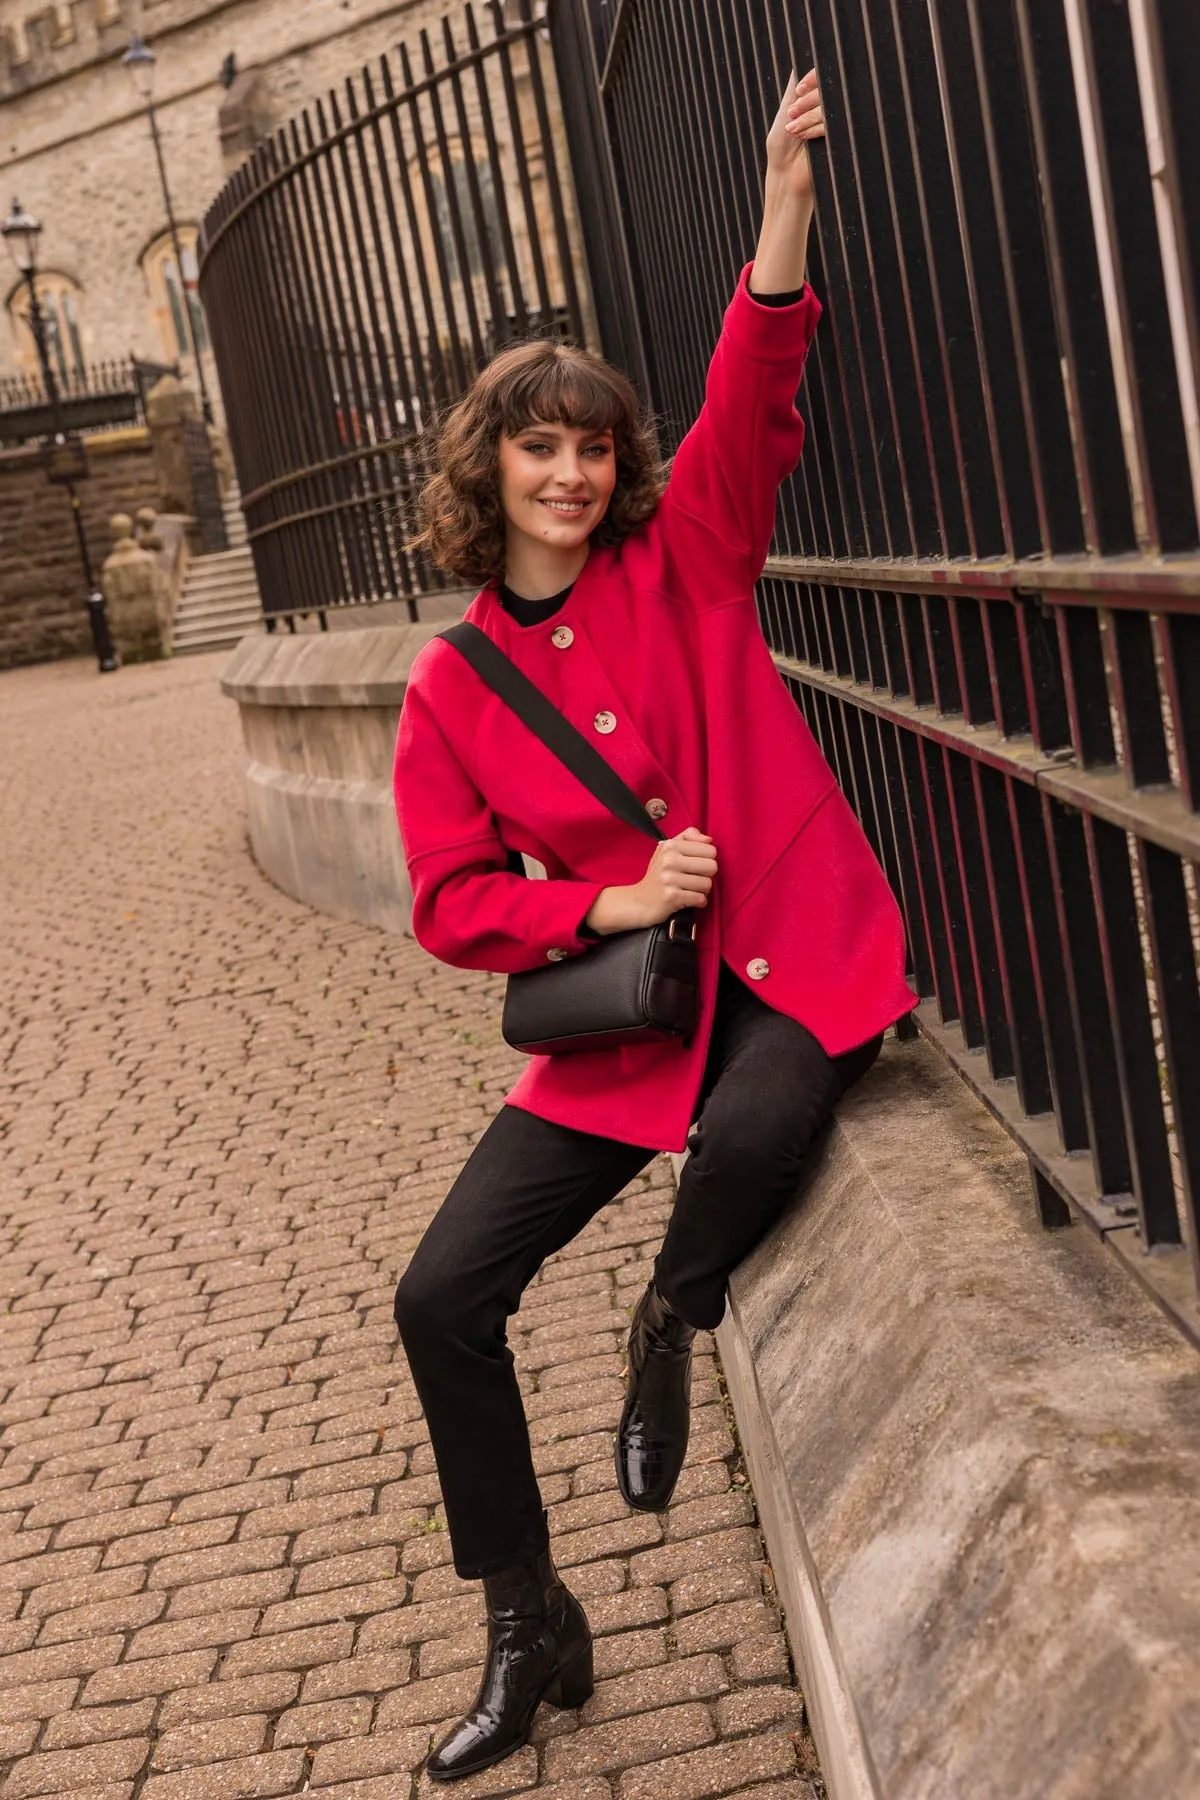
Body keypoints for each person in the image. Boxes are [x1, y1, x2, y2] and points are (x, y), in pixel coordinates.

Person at [391, 69, 915, 1784]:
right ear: (493, 467)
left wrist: (781, 208)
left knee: (767, 1118)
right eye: (537, 445)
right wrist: (603, 901)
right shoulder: (449, 689)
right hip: (624, 1026)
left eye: (589, 443)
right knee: (441, 1295)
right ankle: (527, 1619)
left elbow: (752, 389)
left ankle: (667, 1325)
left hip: (786, 957)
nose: (569, 469)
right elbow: (453, 904)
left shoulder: (684, 555)